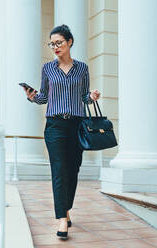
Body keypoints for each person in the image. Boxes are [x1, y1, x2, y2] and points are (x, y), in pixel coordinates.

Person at [23, 24, 100, 239]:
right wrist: (32, 96)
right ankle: (61, 219)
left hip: (77, 125)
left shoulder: (82, 68)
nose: (55, 47)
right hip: (55, 126)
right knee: (59, 170)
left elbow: (84, 97)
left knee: (73, 170)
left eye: (59, 43)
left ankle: (66, 208)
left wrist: (92, 97)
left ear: (69, 42)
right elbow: (44, 98)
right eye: (52, 44)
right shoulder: (47, 69)